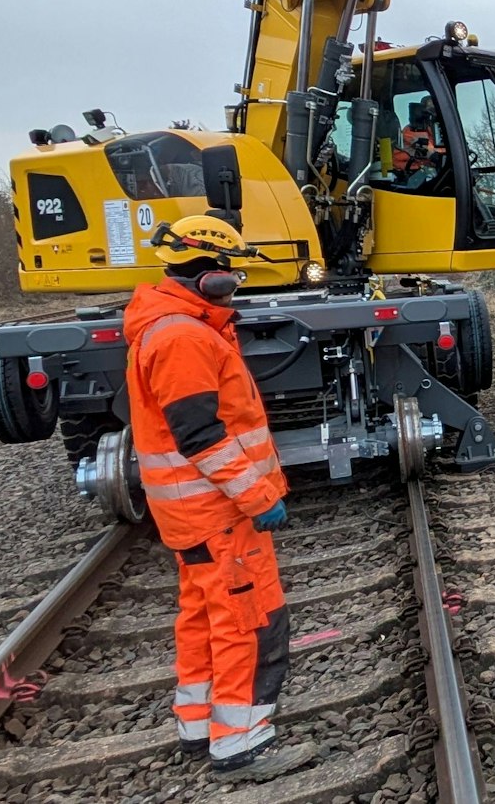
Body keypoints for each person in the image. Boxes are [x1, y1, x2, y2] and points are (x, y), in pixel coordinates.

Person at [125, 216, 314, 781]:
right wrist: (258, 496)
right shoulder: (182, 337)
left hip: (193, 513)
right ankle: (241, 744)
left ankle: (197, 722)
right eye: (229, 274)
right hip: (219, 512)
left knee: (205, 616)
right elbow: (200, 435)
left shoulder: (173, 326)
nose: (235, 282)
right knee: (247, 620)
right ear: (208, 278)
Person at [391, 96, 447, 184]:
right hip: (409, 173)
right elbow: (427, 149)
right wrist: (440, 154)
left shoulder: (435, 131)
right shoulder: (412, 130)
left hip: (425, 171)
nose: (434, 114)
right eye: (431, 110)